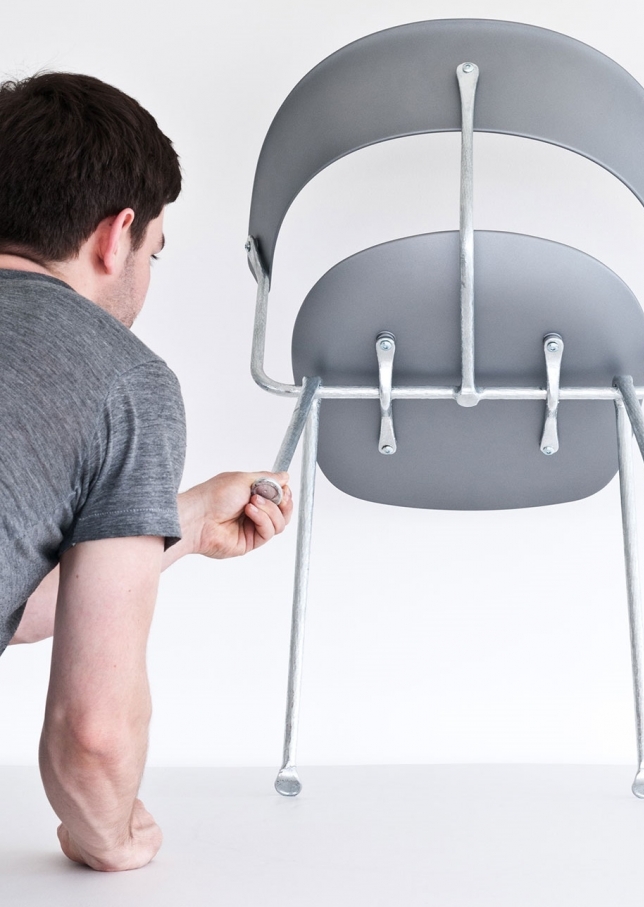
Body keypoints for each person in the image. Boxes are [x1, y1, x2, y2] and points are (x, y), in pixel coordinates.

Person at [0, 72, 291, 872]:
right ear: (116, 234)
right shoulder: (123, 380)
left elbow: (12, 593)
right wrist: (108, 833)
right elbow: (93, 737)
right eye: (153, 252)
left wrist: (184, 523)